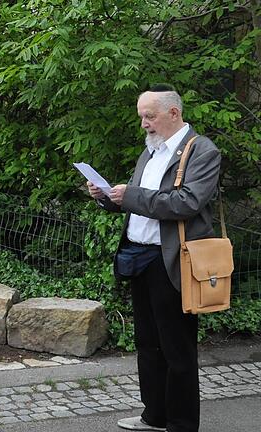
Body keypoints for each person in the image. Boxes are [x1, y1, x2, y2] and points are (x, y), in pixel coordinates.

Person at [88, 85, 220, 432]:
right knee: (147, 343)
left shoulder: (202, 151)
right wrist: (106, 196)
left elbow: (187, 203)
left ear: (173, 113)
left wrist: (130, 195)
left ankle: (181, 423)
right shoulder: (150, 152)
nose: (144, 124)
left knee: (177, 349)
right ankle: (154, 415)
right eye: (141, 117)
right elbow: (137, 203)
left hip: (174, 261)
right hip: (140, 257)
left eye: (150, 116)